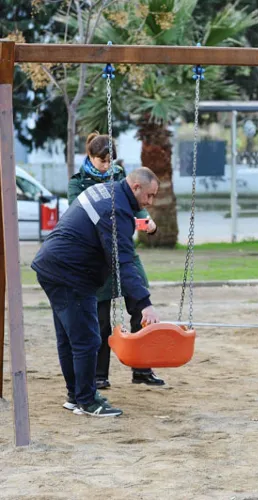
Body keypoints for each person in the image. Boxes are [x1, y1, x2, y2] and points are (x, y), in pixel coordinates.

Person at [32, 167, 161, 417]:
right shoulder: (117, 209)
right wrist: (145, 304)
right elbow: (123, 261)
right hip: (70, 272)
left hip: (51, 264)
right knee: (88, 339)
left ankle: (76, 396)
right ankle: (88, 400)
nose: (150, 202)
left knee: (69, 337)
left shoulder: (108, 192)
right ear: (135, 188)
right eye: (149, 195)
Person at [68, 133, 165, 389]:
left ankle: (141, 368)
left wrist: (146, 220)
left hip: (123, 250)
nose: (107, 165)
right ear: (90, 157)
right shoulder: (78, 183)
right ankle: (100, 375)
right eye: (102, 160)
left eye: (111, 160)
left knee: (140, 303)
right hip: (99, 255)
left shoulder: (123, 177)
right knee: (100, 318)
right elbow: (78, 211)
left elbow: (135, 204)